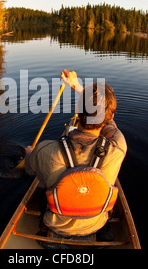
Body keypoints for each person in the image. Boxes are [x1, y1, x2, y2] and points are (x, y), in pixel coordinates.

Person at [24, 69, 127, 239]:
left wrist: (29, 154)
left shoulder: (45, 149)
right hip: (96, 224)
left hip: (55, 225)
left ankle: (48, 233)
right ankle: (101, 230)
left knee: (43, 187)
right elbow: (111, 125)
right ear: (110, 117)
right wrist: (78, 87)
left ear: (77, 109)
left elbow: (29, 170)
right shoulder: (118, 147)